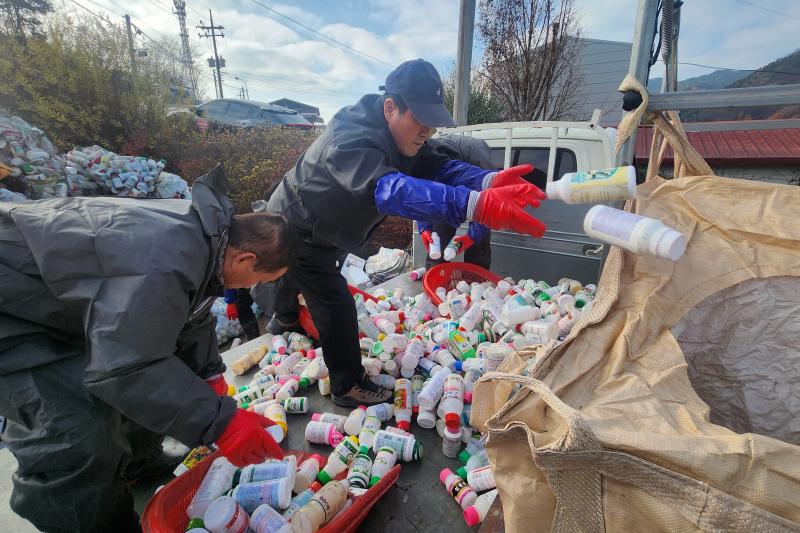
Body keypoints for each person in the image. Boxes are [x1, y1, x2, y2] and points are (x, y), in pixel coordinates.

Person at [0, 165, 290, 533]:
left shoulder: (206, 238)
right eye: (260, 280)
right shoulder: (166, 257)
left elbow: (189, 316)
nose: (250, 288)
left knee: (158, 378)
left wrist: (208, 373)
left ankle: (138, 461)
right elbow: (127, 366)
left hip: (57, 304)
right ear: (245, 259)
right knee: (75, 432)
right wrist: (221, 423)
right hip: (14, 313)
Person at [267, 59, 546, 408]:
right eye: (421, 120)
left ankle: (284, 318)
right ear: (390, 108)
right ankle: (347, 384)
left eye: (432, 122)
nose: (427, 131)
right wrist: (476, 205)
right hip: (297, 224)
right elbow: (391, 190)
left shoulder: (399, 136)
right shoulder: (350, 139)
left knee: (297, 276)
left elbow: (435, 165)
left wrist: (487, 180)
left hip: (329, 227)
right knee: (334, 301)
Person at [417, 134, 506, 270]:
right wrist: (424, 228)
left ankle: (476, 274)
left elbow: (490, 201)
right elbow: (422, 198)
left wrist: (472, 236)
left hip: (473, 163)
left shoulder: (478, 157)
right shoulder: (416, 163)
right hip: (445, 173)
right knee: (441, 222)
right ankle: (435, 270)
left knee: (480, 232)